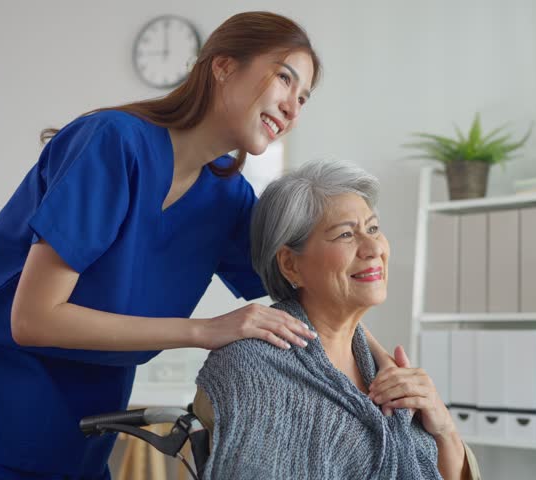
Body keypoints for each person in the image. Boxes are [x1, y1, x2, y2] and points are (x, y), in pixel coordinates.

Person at [0, 11, 346, 479]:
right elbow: (33, 319)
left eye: (304, 98)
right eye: (285, 79)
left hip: (78, 432)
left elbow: (310, 298)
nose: (292, 107)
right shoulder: (113, 142)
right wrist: (203, 329)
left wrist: (385, 370)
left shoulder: (226, 198)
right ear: (223, 66)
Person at [194, 161, 480, 479]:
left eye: (373, 228)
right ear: (290, 265)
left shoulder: (380, 365)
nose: (373, 248)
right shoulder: (252, 368)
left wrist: (443, 427)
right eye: (346, 234)